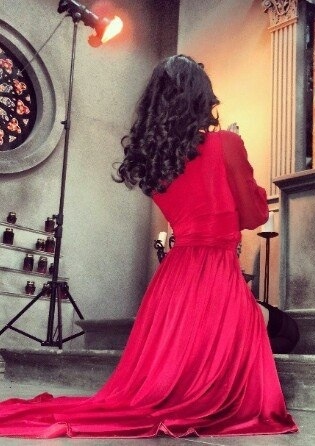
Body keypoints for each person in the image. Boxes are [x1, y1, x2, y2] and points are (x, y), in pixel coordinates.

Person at [0, 55, 298, 438]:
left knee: (197, 356)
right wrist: (238, 162)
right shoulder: (227, 143)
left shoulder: (155, 165)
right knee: (289, 331)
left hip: (173, 286)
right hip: (216, 279)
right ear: (201, 97)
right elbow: (255, 214)